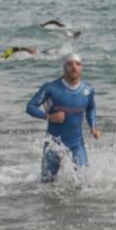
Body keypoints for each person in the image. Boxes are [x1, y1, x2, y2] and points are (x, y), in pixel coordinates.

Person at [25, 52, 100, 182]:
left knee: (83, 182)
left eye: (78, 64)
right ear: (64, 67)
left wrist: (93, 126)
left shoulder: (88, 91)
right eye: (70, 64)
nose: (74, 67)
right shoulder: (51, 88)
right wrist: (49, 116)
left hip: (77, 144)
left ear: (82, 67)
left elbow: (90, 108)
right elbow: (30, 107)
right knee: (47, 185)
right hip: (54, 144)